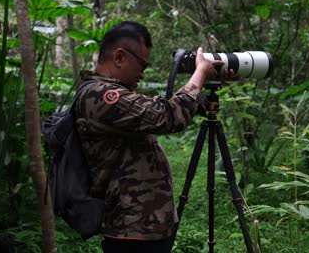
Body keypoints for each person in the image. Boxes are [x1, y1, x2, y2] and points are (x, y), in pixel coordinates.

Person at [75, 21, 226, 253]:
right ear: (119, 57)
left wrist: (205, 90)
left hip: (144, 225)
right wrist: (199, 74)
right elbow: (165, 116)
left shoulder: (110, 93)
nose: (143, 74)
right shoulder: (100, 94)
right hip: (130, 229)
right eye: (142, 65)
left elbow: (156, 108)